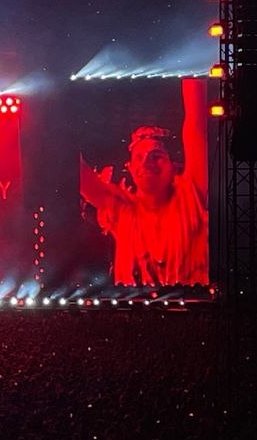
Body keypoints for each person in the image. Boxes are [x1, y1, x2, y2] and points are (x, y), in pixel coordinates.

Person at [79, 79, 208, 286]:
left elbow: (195, 125)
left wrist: (192, 64)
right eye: (139, 157)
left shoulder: (191, 196)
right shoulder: (123, 210)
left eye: (156, 155)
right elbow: (79, 174)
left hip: (188, 311)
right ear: (130, 169)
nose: (147, 162)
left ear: (174, 166)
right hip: (134, 312)